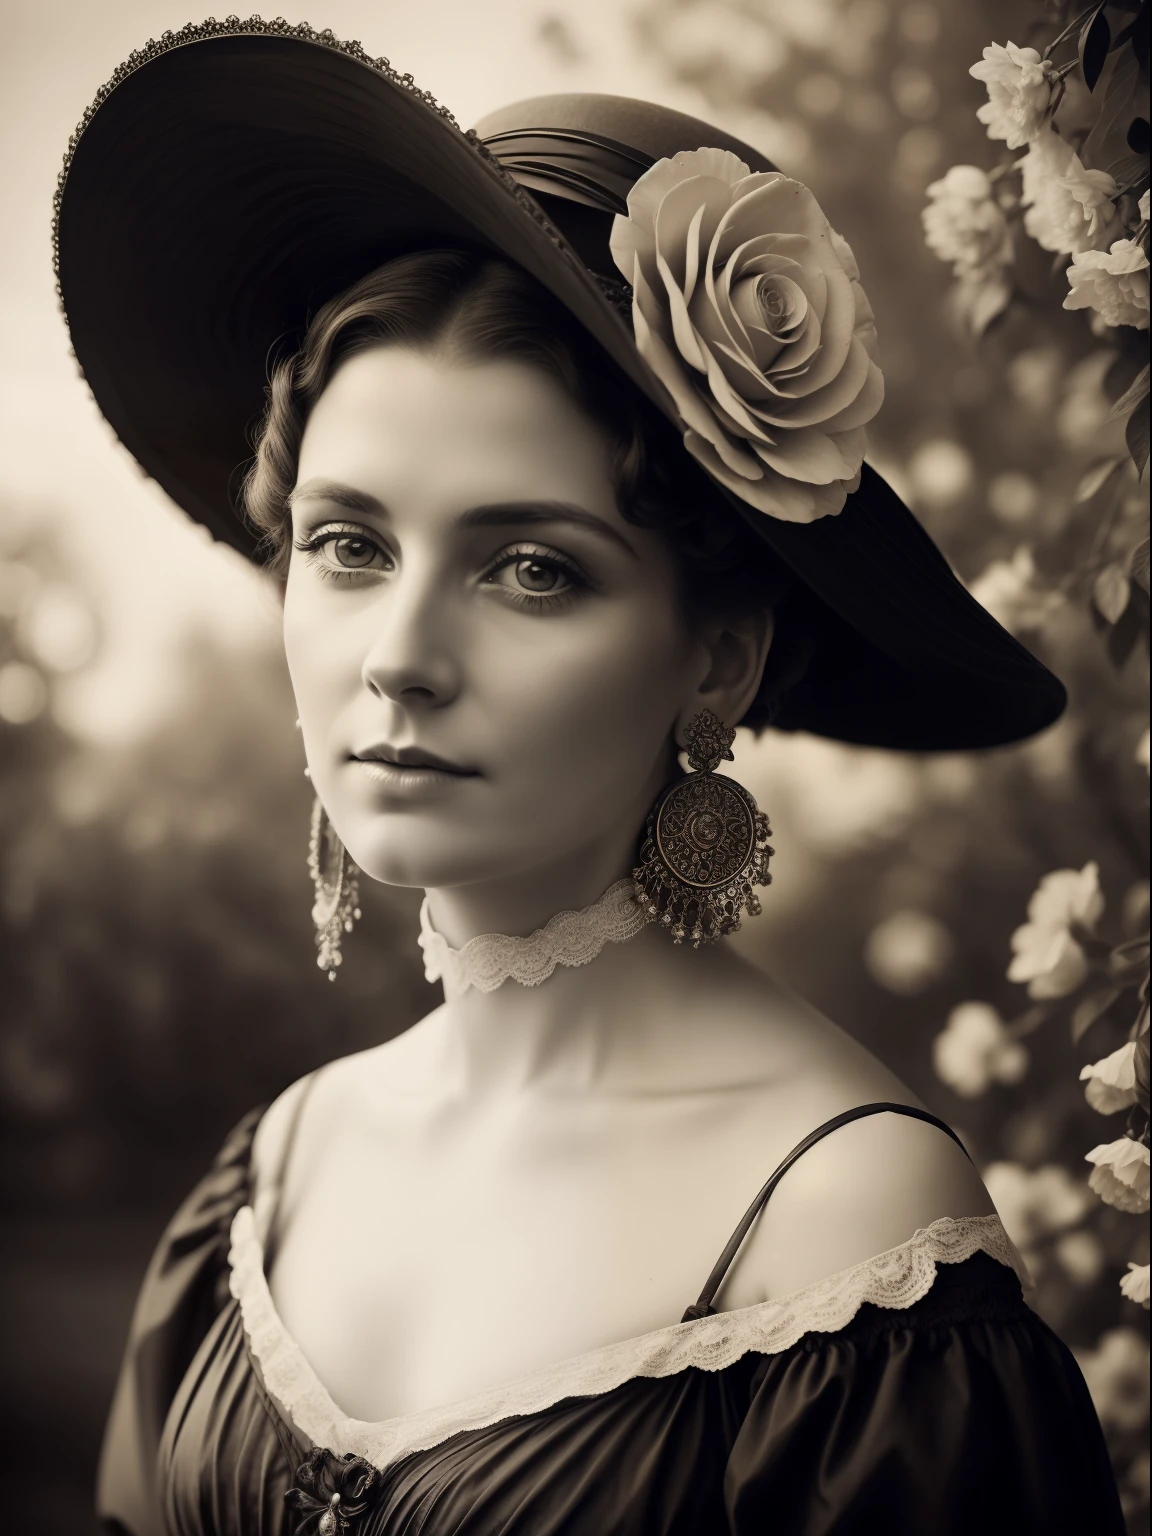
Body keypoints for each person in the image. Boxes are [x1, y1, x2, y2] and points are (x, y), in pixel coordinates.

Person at [54, 18, 1124, 1536]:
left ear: (717, 663)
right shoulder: (269, 1177)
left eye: (532, 569)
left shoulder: (850, 1242)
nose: (400, 655)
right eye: (347, 544)